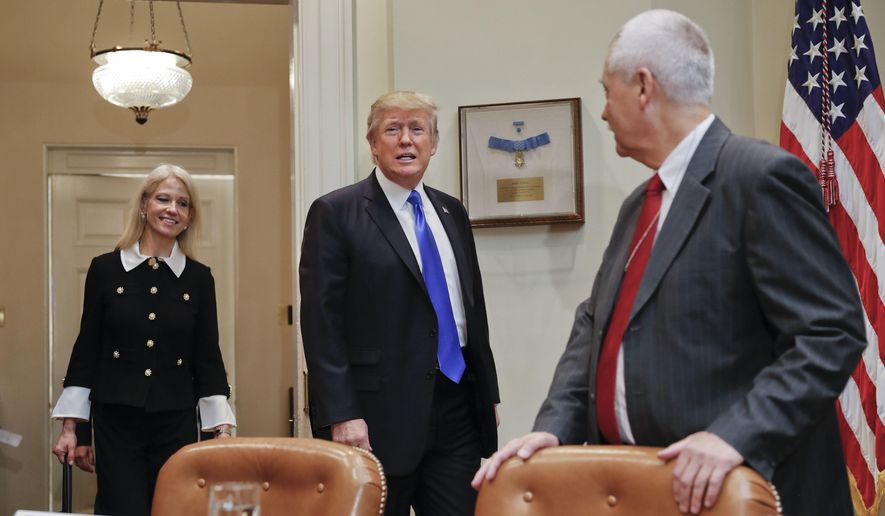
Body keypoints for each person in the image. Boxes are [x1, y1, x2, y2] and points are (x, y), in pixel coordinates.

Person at [472, 9, 865, 516]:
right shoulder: (641, 202)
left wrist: (734, 436)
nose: (605, 112)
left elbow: (831, 333)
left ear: (642, 87)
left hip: (745, 491)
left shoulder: (759, 178)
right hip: (644, 490)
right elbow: (594, 327)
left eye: (606, 92)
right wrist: (554, 430)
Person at [300, 90, 500, 516]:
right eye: (392, 129)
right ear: (373, 144)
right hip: (375, 417)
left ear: (433, 142)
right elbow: (322, 323)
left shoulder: (452, 212)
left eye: (417, 129)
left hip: (457, 407)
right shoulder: (336, 213)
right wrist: (342, 413)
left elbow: (471, 308)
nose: (406, 140)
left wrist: (488, 393)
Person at [50, 164, 236, 516]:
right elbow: (88, 349)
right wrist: (74, 428)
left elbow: (207, 356)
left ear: (190, 216)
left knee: (172, 509)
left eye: (182, 203)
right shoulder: (105, 269)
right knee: (123, 508)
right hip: (116, 420)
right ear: (144, 205)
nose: (172, 209)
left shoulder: (199, 279)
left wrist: (221, 429)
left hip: (176, 420)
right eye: (163, 199)